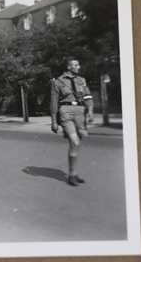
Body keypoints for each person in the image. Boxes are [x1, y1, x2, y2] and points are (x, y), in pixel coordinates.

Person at [51, 57, 94, 186]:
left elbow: (87, 96)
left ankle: (73, 173)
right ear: (69, 67)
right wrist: (53, 120)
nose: (79, 67)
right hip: (66, 111)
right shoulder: (58, 82)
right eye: (76, 65)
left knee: (76, 144)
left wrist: (90, 110)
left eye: (78, 64)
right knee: (74, 142)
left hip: (80, 111)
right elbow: (53, 102)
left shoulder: (81, 81)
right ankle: (71, 176)